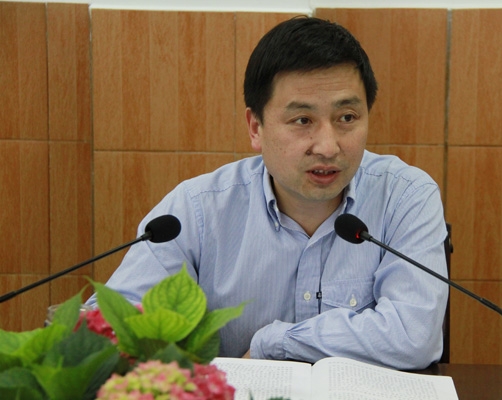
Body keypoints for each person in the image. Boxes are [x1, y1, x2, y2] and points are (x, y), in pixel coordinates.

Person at [88, 16, 449, 370]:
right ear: (255, 127)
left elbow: (415, 334)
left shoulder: (405, 197)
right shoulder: (197, 210)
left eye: (347, 118)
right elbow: (111, 326)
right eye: (302, 120)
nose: (328, 147)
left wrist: (274, 343)